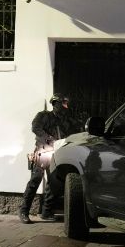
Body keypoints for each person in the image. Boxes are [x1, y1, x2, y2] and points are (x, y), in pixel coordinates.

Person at [19, 93, 82, 224]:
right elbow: (35, 127)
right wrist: (49, 138)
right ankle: (24, 211)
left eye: (65, 104)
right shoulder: (44, 116)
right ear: (54, 104)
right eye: (61, 103)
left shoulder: (66, 120)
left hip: (57, 153)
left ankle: (47, 212)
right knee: (35, 180)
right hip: (43, 151)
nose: (64, 106)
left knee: (54, 183)